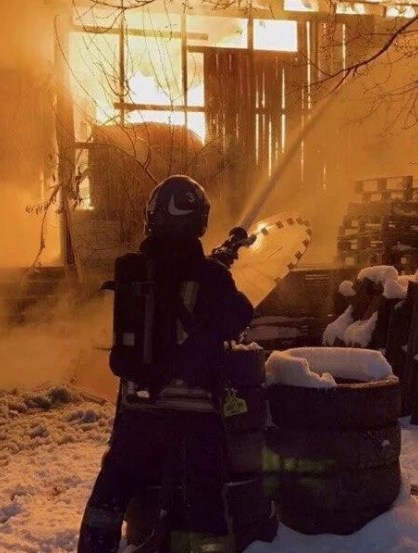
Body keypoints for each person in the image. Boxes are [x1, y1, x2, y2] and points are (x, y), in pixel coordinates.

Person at [78, 175, 254, 553]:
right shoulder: (212, 278)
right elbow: (240, 315)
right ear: (200, 222)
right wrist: (220, 279)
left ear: (152, 217)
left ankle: (94, 547)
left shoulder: (134, 272)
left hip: (138, 416)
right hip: (196, 422)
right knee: (206, 506)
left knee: (112, 487)